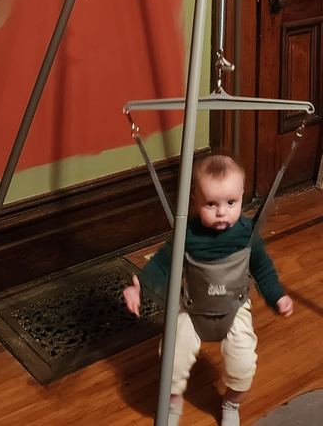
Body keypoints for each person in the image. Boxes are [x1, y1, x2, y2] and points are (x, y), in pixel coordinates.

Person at [123, 153, 293, 426]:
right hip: (192, 308)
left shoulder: (248, 235)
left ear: (241, 197)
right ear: (195, 202)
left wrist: (277, 297)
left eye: (230, 202)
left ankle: (231, 404)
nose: (221, 212)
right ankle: (173, 401)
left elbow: (263, 270)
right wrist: (139, 288)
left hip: (234, 308)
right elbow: (162, 265)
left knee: (244, 365)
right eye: (210, 204)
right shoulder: (188, 235)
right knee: (171, 358)